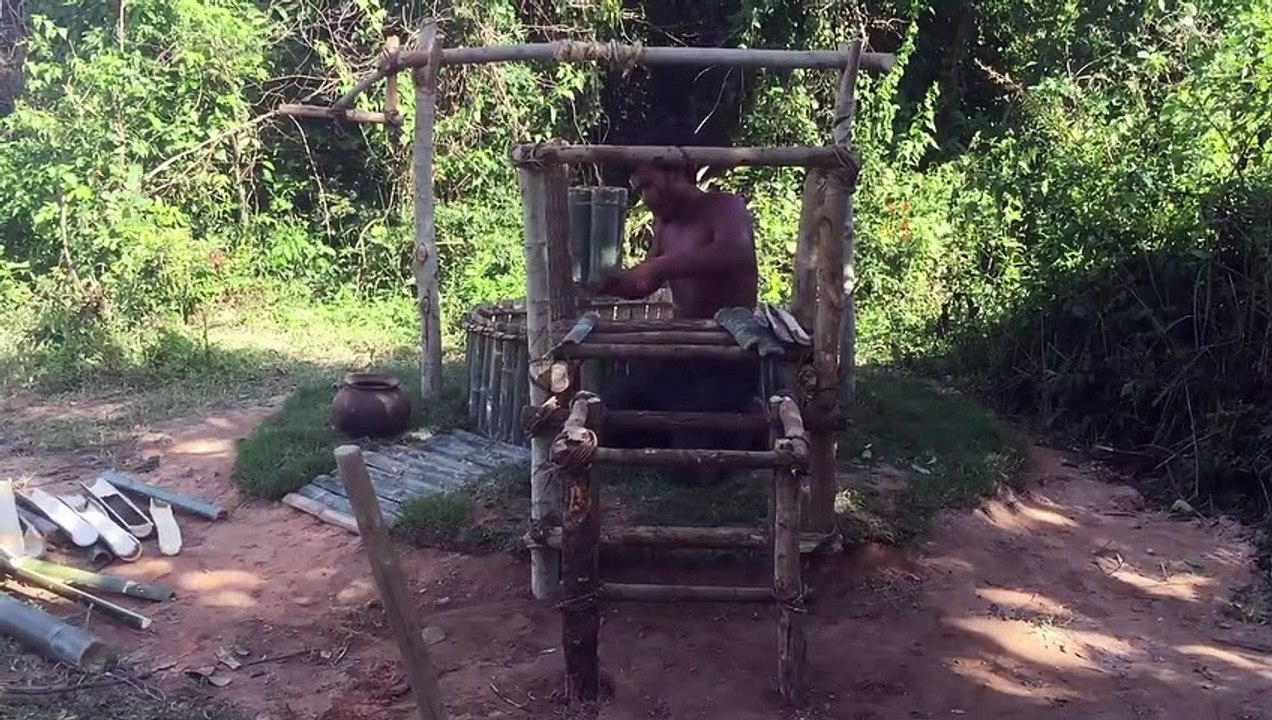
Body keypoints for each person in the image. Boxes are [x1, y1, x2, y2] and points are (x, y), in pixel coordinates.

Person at [592, 125, 764, 481]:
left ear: (675, 172)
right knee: (614, 420)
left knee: (692, 469)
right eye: (640, 189)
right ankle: (720, 430)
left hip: (727, 355)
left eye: (650, 185)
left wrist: (657, 266)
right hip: (681, 352)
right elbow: (645, 281)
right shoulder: (664, 225)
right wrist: (613, 284)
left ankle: (750, 427)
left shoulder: (724, 206)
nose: (647, 197)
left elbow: (736, 253)